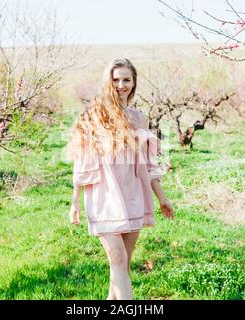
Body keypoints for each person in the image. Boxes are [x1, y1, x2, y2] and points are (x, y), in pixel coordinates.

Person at [66, 58, 174, 300]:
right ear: (108, 82)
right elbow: (81, 160)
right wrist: (75, 201)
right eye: (116, 80)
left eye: (126, 79)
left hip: (134, 193)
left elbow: (148, 164)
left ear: (134, 83)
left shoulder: (139, 118)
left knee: (122, 267)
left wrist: (162, 199)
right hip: (104, 196)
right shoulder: (94, 115)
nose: (121, 85)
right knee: (117, 258)